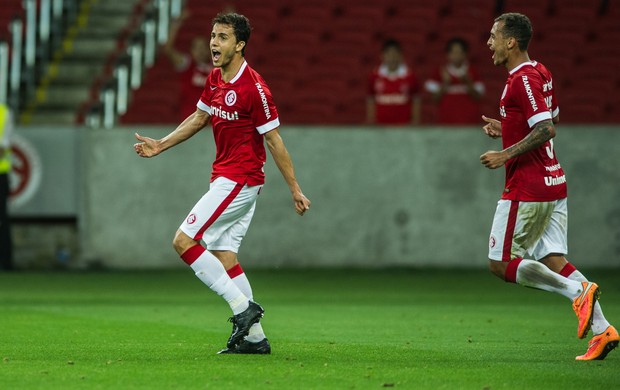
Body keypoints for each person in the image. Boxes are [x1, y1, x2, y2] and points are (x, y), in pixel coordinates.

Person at [134, 12, 311, 354]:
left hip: (240, 179)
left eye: (223, 37)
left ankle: (243, 309)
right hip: (226, 176)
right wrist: (162, 144)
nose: (214, 43)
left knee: (184, 241)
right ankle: (255, 340)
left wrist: (294, 188)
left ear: (240, 45)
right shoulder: (215, 78)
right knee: (224, 256)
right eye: (213, 35)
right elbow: (200, 117)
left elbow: (274, 141)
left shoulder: (255, 88)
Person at [480, 12, 618, 361]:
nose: (489, 43)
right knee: (553, 258)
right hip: (554, 182)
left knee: (500, 264)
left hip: (528, 186)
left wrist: (504, 153)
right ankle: (604, 331)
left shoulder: (521, 79)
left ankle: (577, 292)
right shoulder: (541, 71)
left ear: (511, 42)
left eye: (494, 36)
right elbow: (548, 117)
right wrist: (507, 126)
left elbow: (546, 130)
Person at [163, 10, 214, 121]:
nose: (200, 51)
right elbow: (168, 49)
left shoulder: (218, 69)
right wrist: (177, 24)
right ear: (191, 51)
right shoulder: (187, 65)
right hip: (190, 122)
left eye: (203, 47)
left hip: (212, 124)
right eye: (196, 48)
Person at [424, 37, 484, 124]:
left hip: (469, 121)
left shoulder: (473, 72)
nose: (456, 55)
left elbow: (478, 97)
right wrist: (445, 83)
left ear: (465, 54)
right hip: (446, 121)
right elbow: (434, 99)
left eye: (459, 52)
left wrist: (468, 83)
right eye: (453, 52)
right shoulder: (439, 72)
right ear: (447, 54)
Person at [367, 39, 420, 125]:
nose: (392, 57)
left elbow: (416, 99)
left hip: (403, 125)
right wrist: (371, 120)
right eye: (389, 54)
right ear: (382, 56)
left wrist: (416, 121)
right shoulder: (374, 76)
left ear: (401, 56)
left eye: (395, 54)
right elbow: (370, 99)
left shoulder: (410, 76)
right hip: (380, 126)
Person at [0, 103, 13, 271]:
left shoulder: (3, 113)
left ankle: (6, 262)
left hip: (0, 175)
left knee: (2, 220)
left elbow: (2, 147)